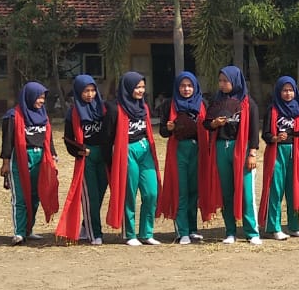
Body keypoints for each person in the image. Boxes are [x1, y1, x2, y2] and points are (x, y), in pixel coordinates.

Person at [204, 65, 261, 244]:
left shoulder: (247, 102)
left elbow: (253, 131)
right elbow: (206, 124)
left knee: (246, 192)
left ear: (235, 81)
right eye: (220, 81)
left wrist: (252, 153)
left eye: (226, 81)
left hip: (241, 148)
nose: (222, 84)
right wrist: (214, 123)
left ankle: (252, 232)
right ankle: (230, 231)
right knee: (226, 192)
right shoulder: (216, 101)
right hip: (222, 147)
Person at [159, 71, 217, 245]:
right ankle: (182, 231)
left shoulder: (202, 104)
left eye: (190, 85)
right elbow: (162, 131)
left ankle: (192, 229)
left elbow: (208, 126)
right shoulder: (169, 104)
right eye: (183, 86)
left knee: (194, 191)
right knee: (181, 190)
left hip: (197, 150)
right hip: (178, 151)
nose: (186, 89)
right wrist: (168, 128)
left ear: (195, 87)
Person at [0, 81, 60, 245]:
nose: (41, 101)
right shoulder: (13, 116)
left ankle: (29, 229)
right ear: (29, 96)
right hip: (20, 157)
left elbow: (48, 137)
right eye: (38, 97)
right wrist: (5, 163)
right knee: (20, 197)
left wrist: (53, 155)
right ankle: (19, 232)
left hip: (40, 158)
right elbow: (7, 142)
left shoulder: (43, 115)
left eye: (43, 98)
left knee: (35, 196)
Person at [55, 75, 112, 245]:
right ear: (78, 92)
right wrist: (79, 151)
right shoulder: (73, 112)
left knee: (100, 194)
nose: (90, 94)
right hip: (86, 159)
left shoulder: (103, 109)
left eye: (92, 90)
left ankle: (86, 225)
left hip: (103, 157)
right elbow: (68, 138)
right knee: (90, 197)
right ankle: (95, 233)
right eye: (86, 91)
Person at [106, 71, 161, 246]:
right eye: (137, 87)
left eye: (143, 87)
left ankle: (147, 232)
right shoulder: (115, 108)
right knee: (129, 193)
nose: (140, 91)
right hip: (126, 151)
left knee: (151, 192)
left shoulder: (143, 107)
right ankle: (130, 234)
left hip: (144, 149)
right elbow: (107, 136)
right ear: (128, 87)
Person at [260, 74, 299, 240]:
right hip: (277, 153)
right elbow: (265, 134)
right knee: (276, 189)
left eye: (290, 90)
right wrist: (274, 138)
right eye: (284, 90)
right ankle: (274, 227)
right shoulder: (273, 110)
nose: (288, 94)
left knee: (294, 189)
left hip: (296, 153)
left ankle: (294, 226)